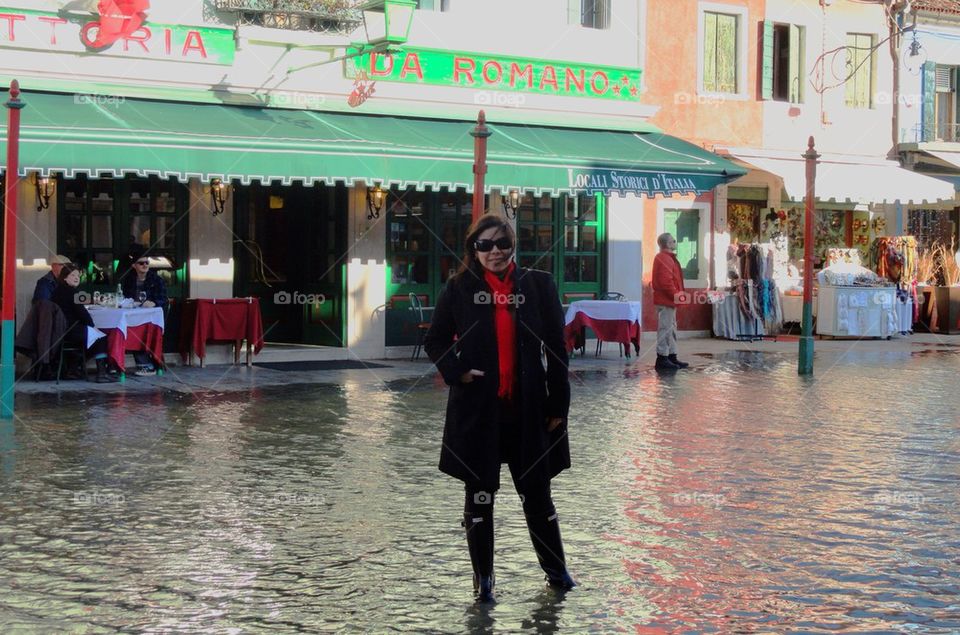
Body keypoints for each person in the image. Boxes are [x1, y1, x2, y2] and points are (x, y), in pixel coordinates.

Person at [423, 213, 576, 603]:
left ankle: (558, 576)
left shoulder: (538, 286)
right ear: (473, 249)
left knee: (537, 494)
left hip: (529, 410)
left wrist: (559, 402)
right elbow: (436, 340)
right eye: (485, 245)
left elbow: (556, 348)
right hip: (478, 411)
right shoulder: (459, 288)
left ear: (513, 246)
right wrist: (458, 372)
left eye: (502, 244)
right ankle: (484, 583)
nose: (495, 252)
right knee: (479, 496)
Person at [51, 264, 117, 383]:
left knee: (93, 337)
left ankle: (73, 369)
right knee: (101, 337)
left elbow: (87, 299)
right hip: (70, 330)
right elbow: (84, 315)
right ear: (65, 277)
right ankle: (101, 373)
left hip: (60, 330)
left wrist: (96, 299)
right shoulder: (72, 292)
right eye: (72, 275)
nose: (76, 278)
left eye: (78, 275)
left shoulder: (58, 290)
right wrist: (93, 327)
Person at [120, 249, 167, 376]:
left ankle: (147, 365)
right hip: (133, 314)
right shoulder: (129, 279)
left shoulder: (156, 280)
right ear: (134, 266)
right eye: (141, 263)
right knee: (121, 331)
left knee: (137, 332)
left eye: (147, 262)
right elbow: (124, 297)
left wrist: (155, 303)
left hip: (151, 317)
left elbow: (163, 299)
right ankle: (116, 364)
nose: (145, 265)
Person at [651, 232, 689, 370]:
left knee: (671, 329)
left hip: (669, 300)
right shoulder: (664, 258)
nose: (675, 242)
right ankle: (662, 358)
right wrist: (677, 295)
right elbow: (666, 282)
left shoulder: (666, 258)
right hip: (666, 300)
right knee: (666, 329)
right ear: (667, 244)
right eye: (673, 240)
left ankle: (671, 356)